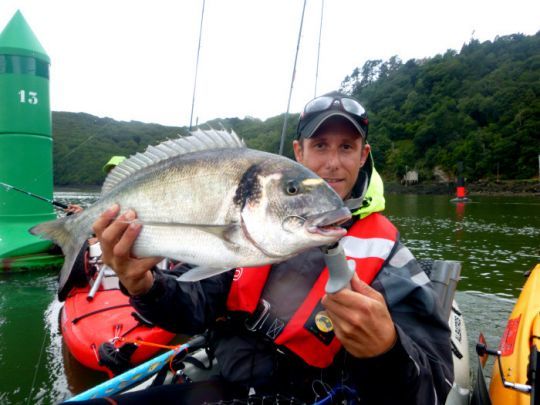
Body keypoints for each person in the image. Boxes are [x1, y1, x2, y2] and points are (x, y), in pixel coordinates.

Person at [85, 92, 453, 404]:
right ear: (299, 151)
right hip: (229, 389)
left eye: (347, 147)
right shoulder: (254, 225)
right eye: (320, 145)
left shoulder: (389, 256)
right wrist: (144, 286)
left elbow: (436, 385)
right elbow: (191, 308)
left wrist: (387, 350)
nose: (332, 163)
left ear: (363, 155)